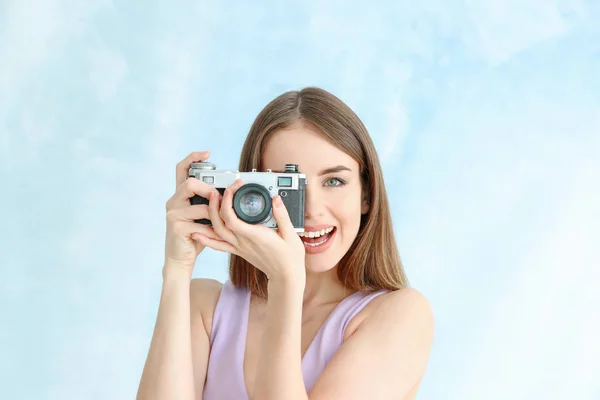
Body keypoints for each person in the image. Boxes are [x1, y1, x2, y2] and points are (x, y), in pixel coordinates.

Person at [136, 87, 434, 400]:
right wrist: (176, 270)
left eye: (334, 181)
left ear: (366, 194)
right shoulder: (205, 307)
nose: (311, 209)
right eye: (287, 186)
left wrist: (286, 283)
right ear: (250, 193)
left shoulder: (400, 316)